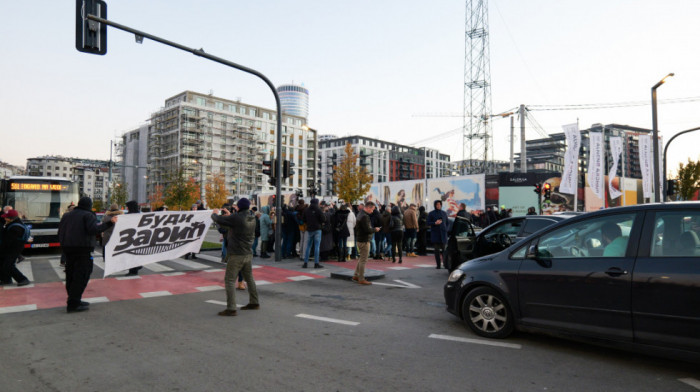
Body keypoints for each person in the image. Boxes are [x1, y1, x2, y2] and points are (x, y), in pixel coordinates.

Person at [59, 196, 117, 312]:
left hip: (68, 249)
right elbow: (93, 230)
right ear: (89, 206)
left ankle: (74, 299)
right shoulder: (88, 215)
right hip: (83, 249)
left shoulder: (67, 215)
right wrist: (110, 223)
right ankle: (73, 303)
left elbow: (60, 231)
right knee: (81, 276)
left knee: (70, 275)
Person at [210, 198, 259, 317]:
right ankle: (254, 302)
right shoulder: (252, 217)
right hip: (248, 252)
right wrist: (230, 215)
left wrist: (215, 213)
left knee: (230, 280)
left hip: (237, 253)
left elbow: (219, 219)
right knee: (249, 278)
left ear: (240, 207)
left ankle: (231, 308)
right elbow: (236, 222)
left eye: (237, 206)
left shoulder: (237, 218)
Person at [0, 209, 31, 286]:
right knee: (4, 264)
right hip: (13, 249)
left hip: (13, 250)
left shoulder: (16, 228)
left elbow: (8, 242)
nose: (4, 218)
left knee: (8, 265)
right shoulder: (14, 223)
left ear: (11, 218)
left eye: (6, 217)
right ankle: (6, 280)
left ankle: (23, 279)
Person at [353, 201, 380, 285]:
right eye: (372, 209)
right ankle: (361, 278)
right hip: (364, 240)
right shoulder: (365, 216)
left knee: (361, 258)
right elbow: (367, 230)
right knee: (363, 260)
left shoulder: (360, 214)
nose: (372, 211)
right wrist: (375, 229)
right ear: (368, 207)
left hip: (360, 239)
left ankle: (356, 275)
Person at [302, 198, 326, 268]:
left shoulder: (306, 210)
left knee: (308, 246)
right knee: (317, 246)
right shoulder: (318, 210)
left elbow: (303, 219)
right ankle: (316, 263)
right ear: (317, 203)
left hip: (309, 229)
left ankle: (305, 263)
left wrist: (308, 223)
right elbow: (323, 219)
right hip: (317, 229)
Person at [124, 201, 144, 276]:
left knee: (131, 254)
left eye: (128, 206)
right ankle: (135, 268)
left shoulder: (129, 216)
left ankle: (133, 270)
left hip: (130, 238)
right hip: (138, 238)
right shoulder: (139, 215)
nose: (127, 208)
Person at [427, 200, 448, 269]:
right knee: (437, 251)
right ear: (435, 205)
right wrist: (435, 223)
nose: (438, 206)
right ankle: (438, 265)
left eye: (439, 204)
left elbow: (447, 223)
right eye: (437, 204)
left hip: (443, 234)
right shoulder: (431, 213)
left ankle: (445, 264)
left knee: (444, 251)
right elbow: (428, 223)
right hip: (435, 234)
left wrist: (446, 229)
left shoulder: (444, 213)